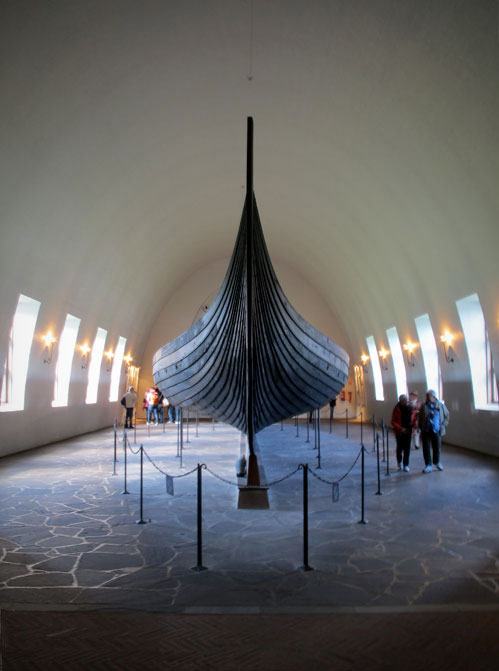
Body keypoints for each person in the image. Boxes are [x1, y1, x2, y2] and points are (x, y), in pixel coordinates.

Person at [419, 389, 450, 473]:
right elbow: (420, 417)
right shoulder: (424, 406)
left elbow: (447, 415)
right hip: (426, 429)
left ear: (434, 396)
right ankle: (428, 465)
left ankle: (436, 462)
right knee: (426, 448)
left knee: (437, 447)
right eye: (428, 396)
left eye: (431, 396)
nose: (430, 398)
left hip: (437, 430)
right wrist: (420, 428)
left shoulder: (440, 405)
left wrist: (443, 425)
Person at [391, 394, 416, 472]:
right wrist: (400, 428)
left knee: (407, 448)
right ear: (401, 401)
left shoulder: (411, 408)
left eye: (407, 400)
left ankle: (406, 465)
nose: (406, 401)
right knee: (400, 448)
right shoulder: (397, 409)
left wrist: (414, 426)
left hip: (408, 431)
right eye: (404, 400)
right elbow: (393, 421)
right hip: (400, 432)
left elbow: (414, 418)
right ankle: (399, 462)